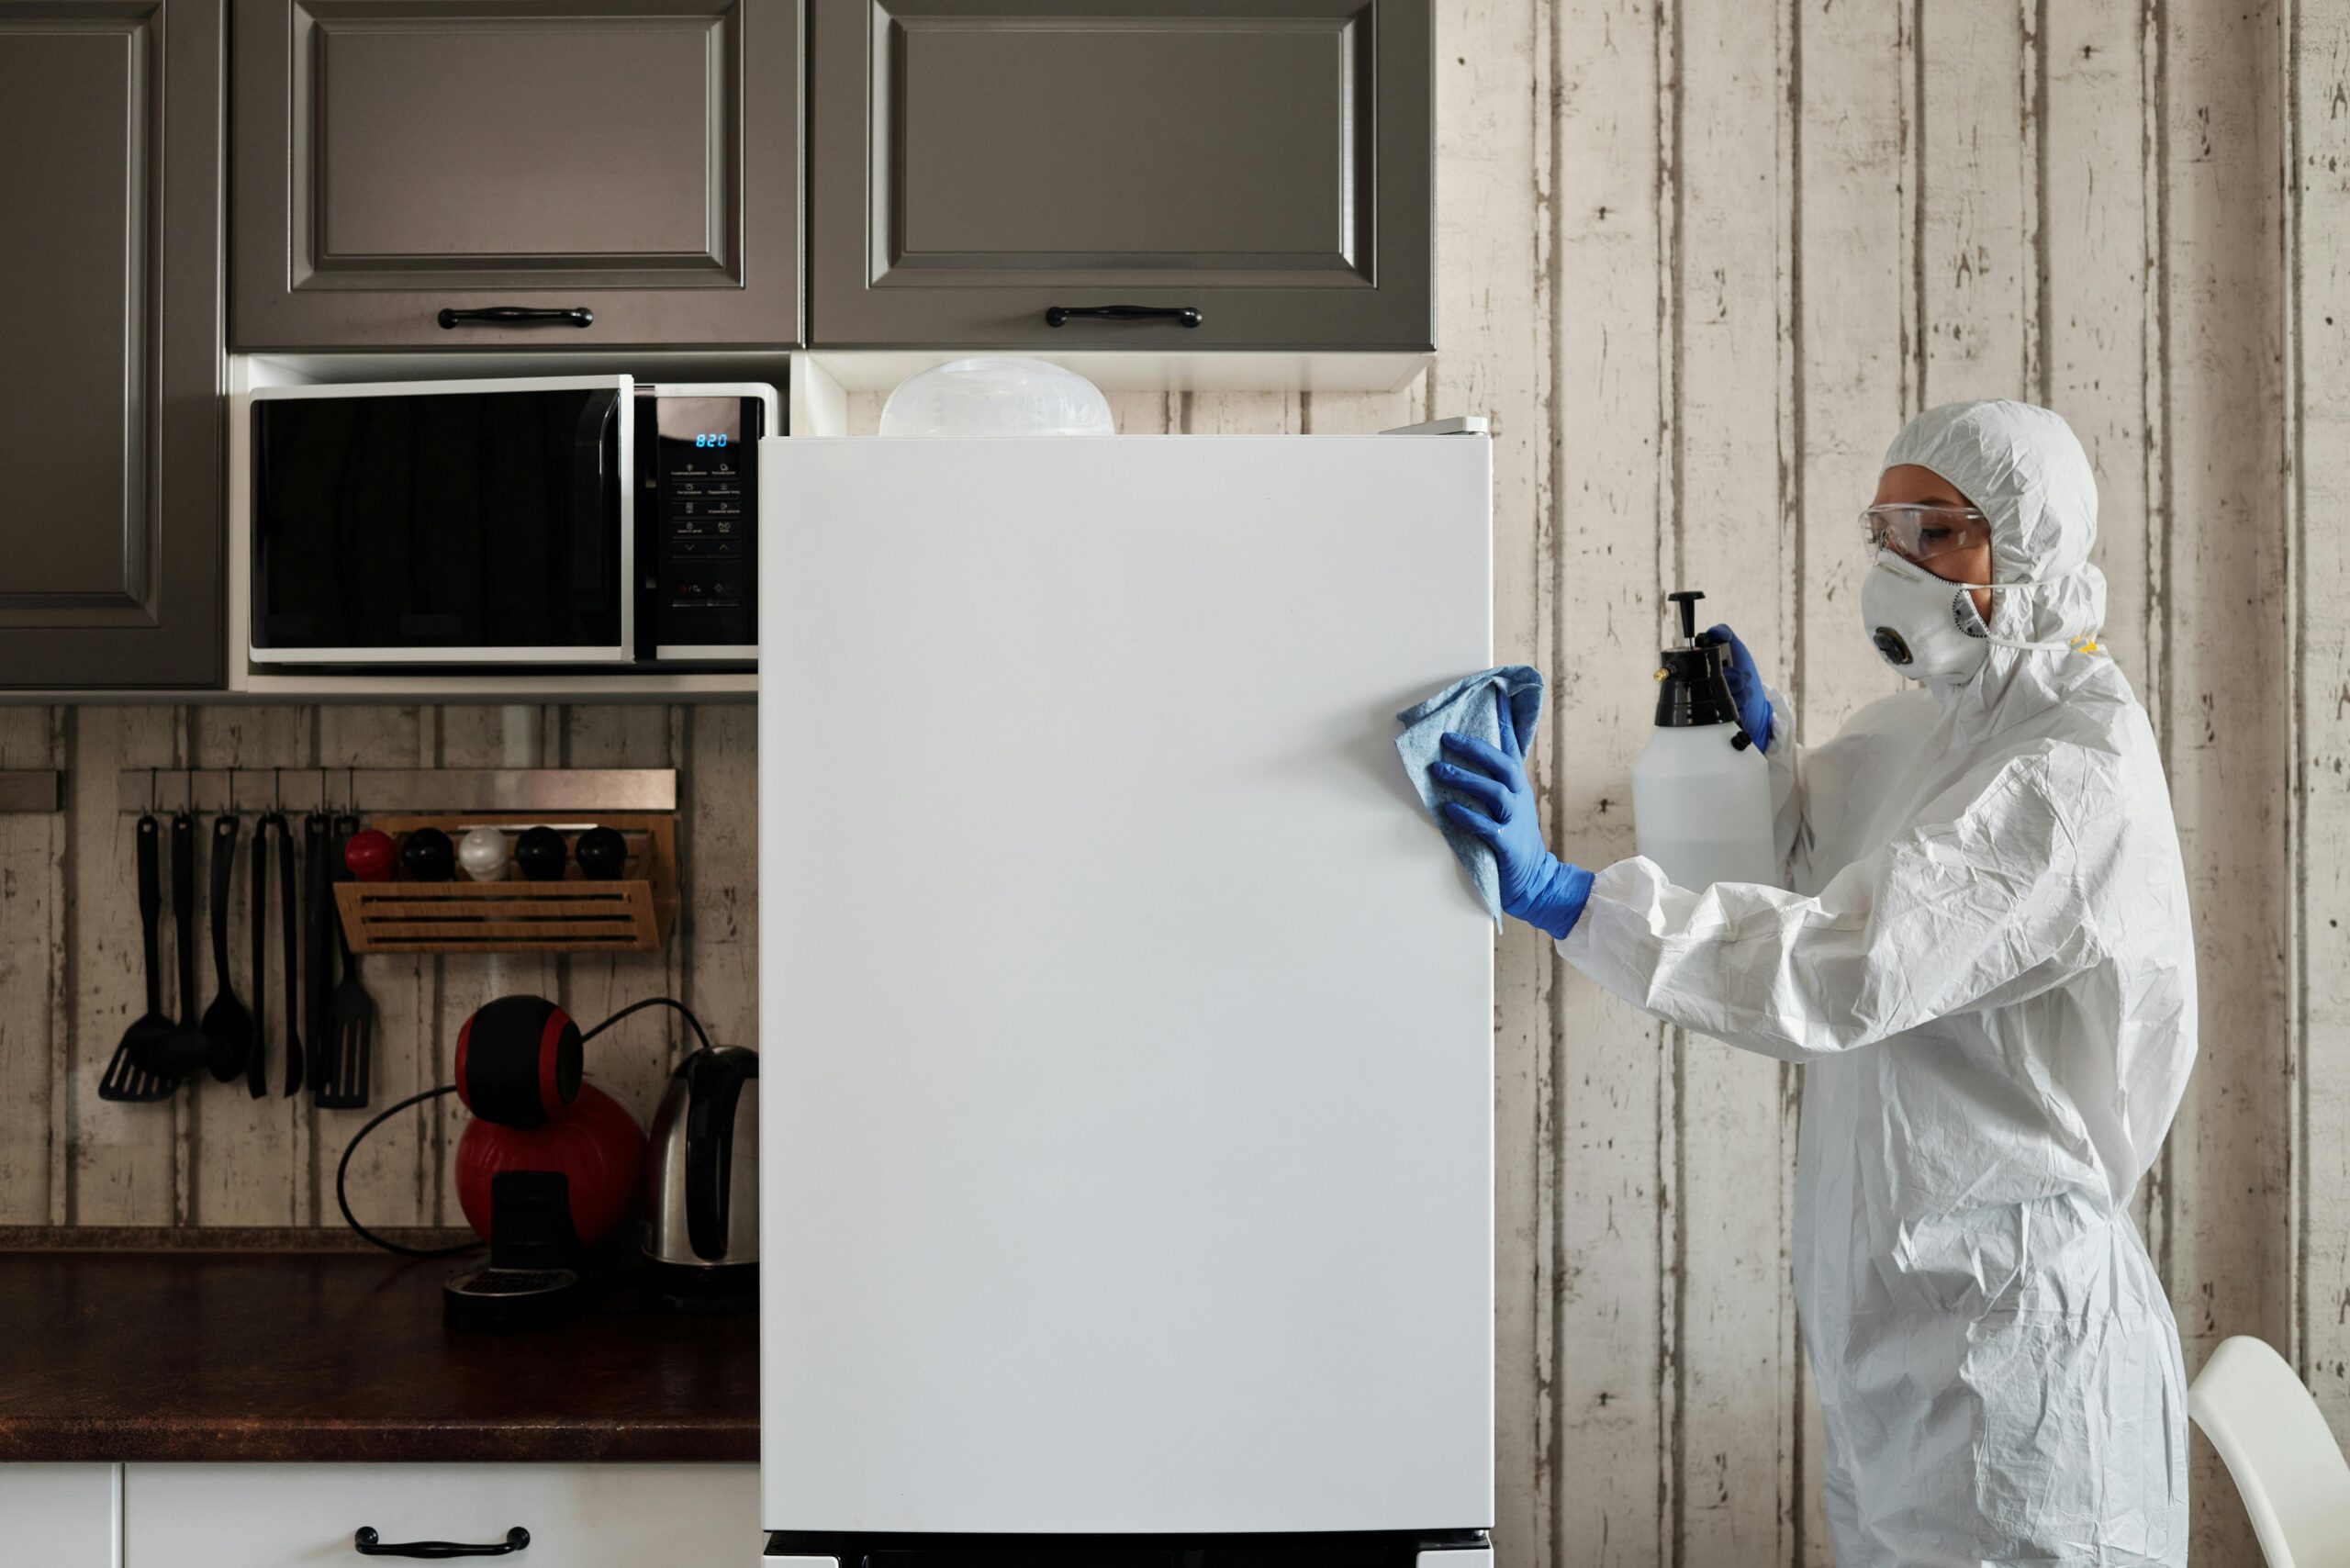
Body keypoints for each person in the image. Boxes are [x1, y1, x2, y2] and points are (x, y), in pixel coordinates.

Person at [1429, 399, 2197, 1565]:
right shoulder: (1932, 728)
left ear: (2027, 546)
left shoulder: (2068, 772)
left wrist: (1567, 899)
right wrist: (1768, 764)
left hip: (2020, 1346)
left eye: (1936, 531)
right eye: (1884, 528)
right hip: (1897, 1326)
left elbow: (1848, 963)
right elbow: (1814, 872)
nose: (1898, 561)